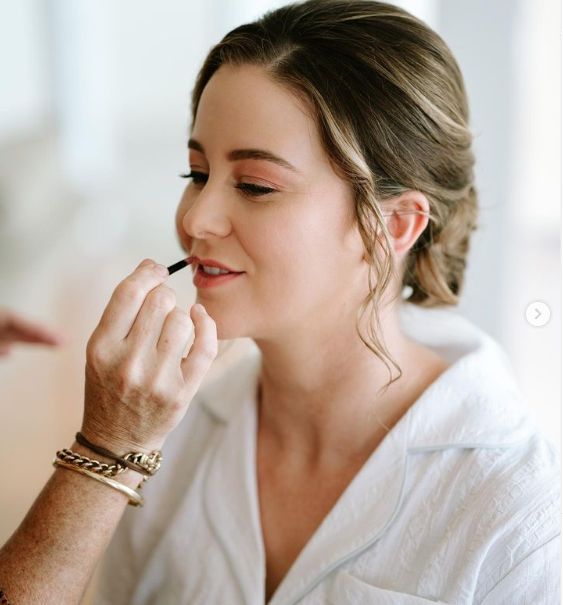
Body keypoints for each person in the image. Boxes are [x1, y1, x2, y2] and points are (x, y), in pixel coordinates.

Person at [0, 1, 559, 603]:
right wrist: (107, 450)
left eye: (256, 186)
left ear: (395, 225)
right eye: (196, 174)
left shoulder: (520, 519)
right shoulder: (169, 443)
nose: (196, 218)